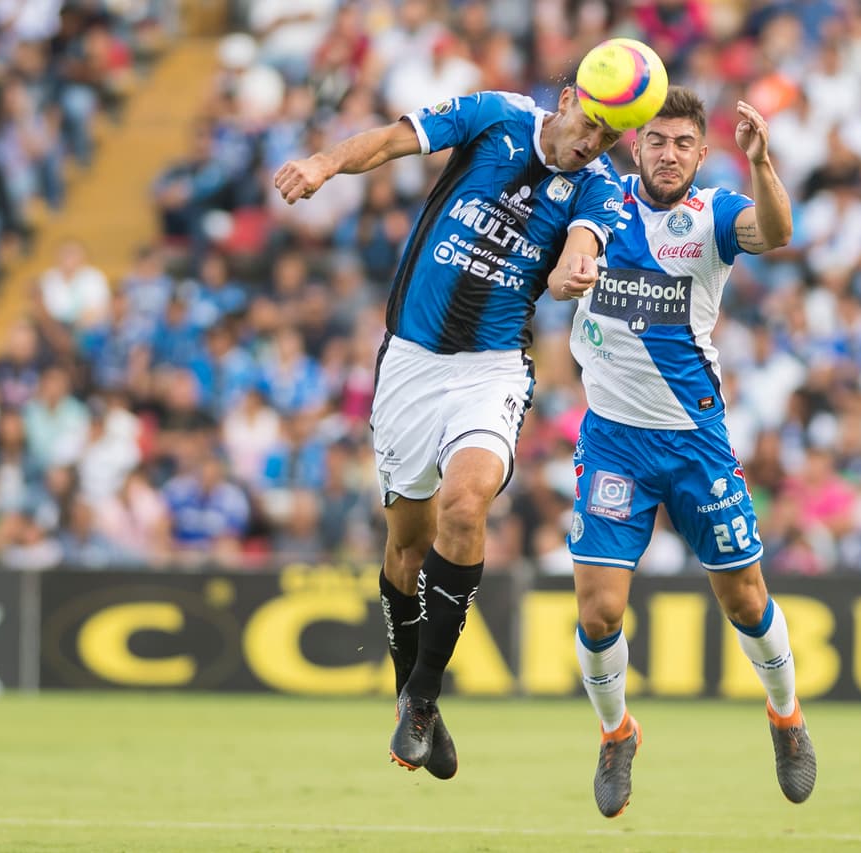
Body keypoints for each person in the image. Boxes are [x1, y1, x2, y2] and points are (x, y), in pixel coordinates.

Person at [273, 83, 625, 777]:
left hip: (491, 368)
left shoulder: (599, 188)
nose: (593, 143)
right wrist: (322, 163)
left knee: (465, 506)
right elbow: (390, 139)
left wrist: (573, 271)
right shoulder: (496, 116)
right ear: (566, 100)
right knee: (406, 548)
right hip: (409, 362)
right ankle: (411, 691)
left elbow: (579, 250)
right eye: (590, 123)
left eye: (610, 137)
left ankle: (425, 697)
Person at [565, 87, 816, 817]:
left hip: (694, 443)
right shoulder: (596, 204)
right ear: (634, 145)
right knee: (599, 612)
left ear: (703, 153)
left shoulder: (714, 214)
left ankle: (786, 715)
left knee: (745, 598)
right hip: (613, 438)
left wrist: (762, 163)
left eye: (682, 144)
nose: (668, 154)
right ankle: (616, 732)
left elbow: (777, 233)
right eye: (656, 140)